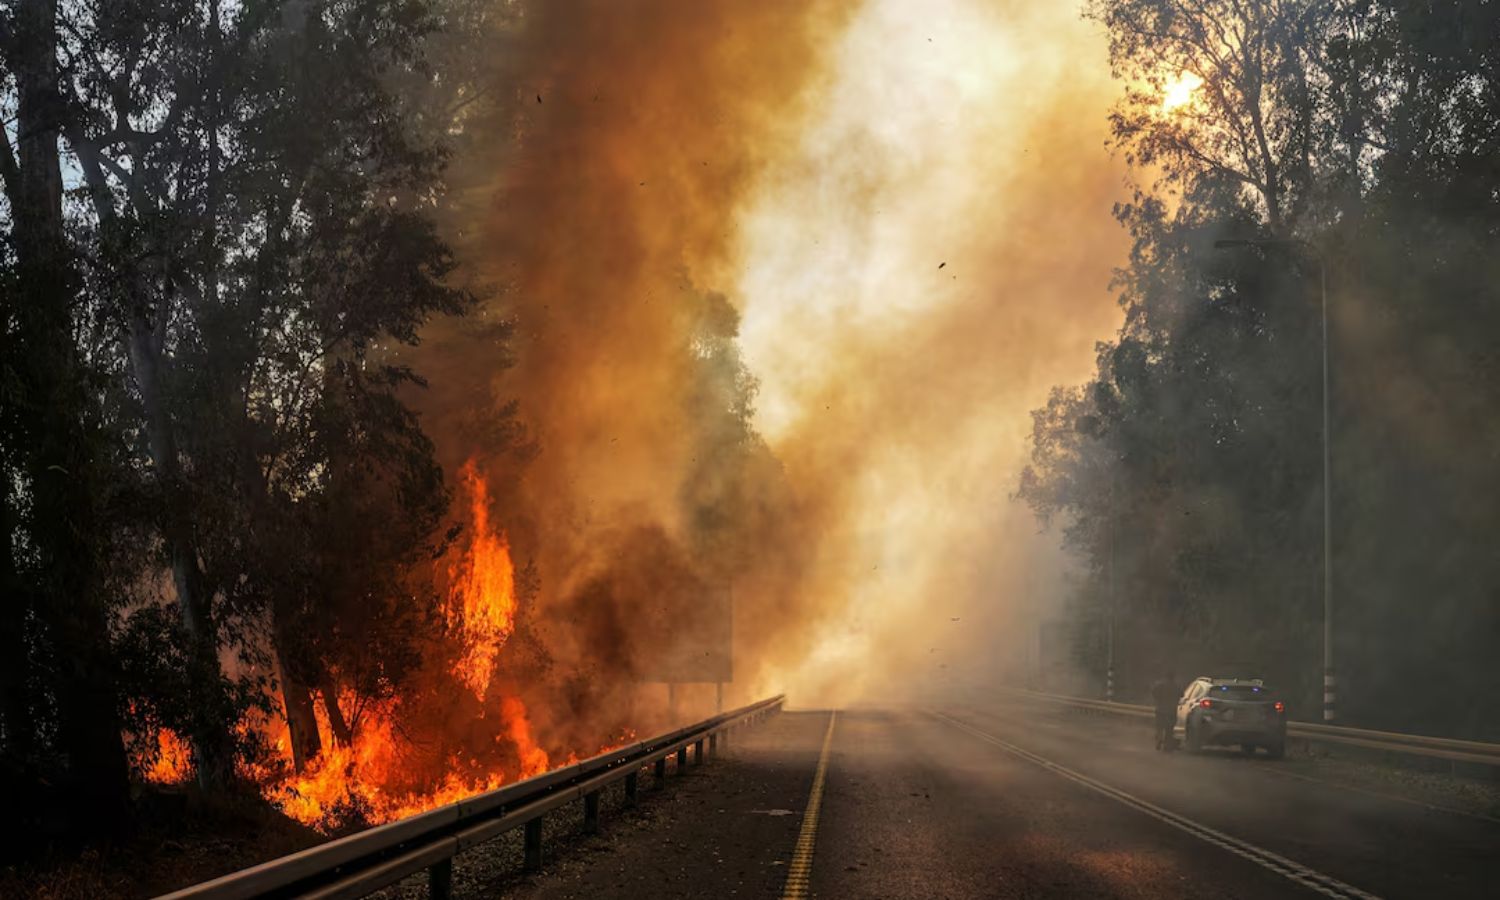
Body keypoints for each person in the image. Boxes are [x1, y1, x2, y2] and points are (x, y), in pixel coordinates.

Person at [1151, 669, 1179, 751]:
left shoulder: (1160, 685)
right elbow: (1182, 694)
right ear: (1173, 677)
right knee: (1169, 729)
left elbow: (1153, 692)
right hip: (1172, 711)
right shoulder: (1176, 686)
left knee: (1159, 727)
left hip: (1160, 709)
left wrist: (1158, 699)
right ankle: (1167, 746)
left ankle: (1159, 740)